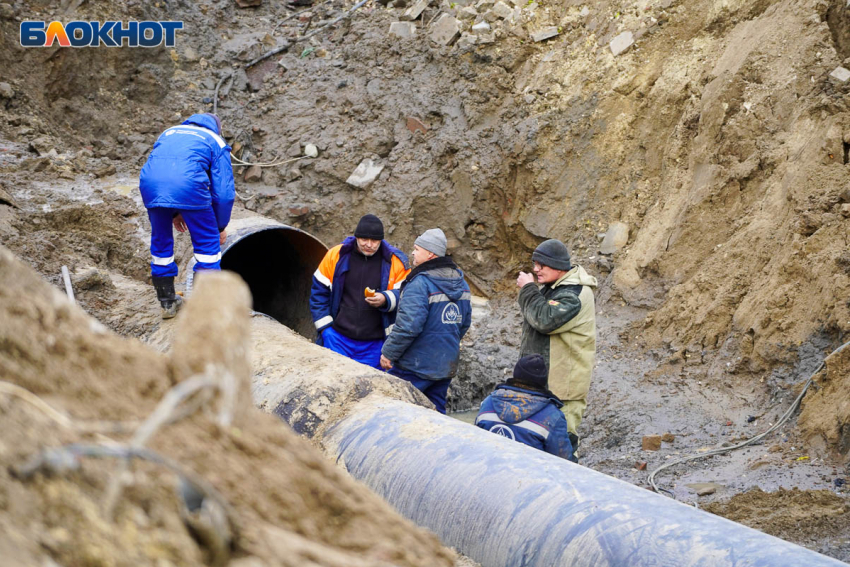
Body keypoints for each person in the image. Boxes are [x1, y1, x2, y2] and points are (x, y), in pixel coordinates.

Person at [139, 113, 234, 319]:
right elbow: (224, 194)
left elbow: (167, 171)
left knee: (161, 244)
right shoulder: (215, 140)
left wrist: (174, 212)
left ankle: (167, 303)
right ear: (217, 127)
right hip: (189, 186)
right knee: (208, 248)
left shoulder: (169, 132)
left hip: (151, 187)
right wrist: (219, 227)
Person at [516, 238, 597, 450]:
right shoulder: (553, 288)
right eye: (535, 264)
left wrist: (528, 289)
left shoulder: (575, 294)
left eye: (541, 265)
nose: (536, 269)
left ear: (558, 266)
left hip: (563, 392)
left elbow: (544, 320)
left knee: (562, 448)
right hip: (545, 386)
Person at [380, 228, 472, 414]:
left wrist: (388, 352)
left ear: (430, 253)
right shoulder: (462, 283)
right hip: (445, 365)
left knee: (392, 409)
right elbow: (463, 324)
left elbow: (408, 326)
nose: (412, 252)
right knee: (436, 416)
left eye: (417, 249)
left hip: (414, 366)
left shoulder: (420, 283)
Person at [310, 214, 409, 369]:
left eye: (374, 241)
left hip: (375, 345)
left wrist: (386, 298)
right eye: (364, 239)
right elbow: (318, 292)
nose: (369, 244)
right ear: (356, 237)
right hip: (338, 339)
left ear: (381, 240)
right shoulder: (336, 255)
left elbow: (407, 296)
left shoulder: (395, 261)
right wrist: (325, 329)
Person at [475, 354, 575, 461]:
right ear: (544, 381)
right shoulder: (553, 417)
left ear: (515, 375)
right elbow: (564, 463)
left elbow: (473, 445)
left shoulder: (488, 402)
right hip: (527, 476)